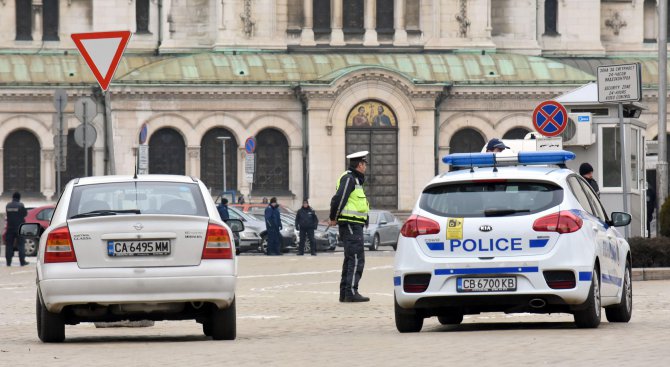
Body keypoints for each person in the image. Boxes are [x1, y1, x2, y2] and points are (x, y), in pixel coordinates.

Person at [330, 151, 371, 303]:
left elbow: (357, 203)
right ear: (360, 164)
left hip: (353, 223)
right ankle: (351, 292)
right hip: (350, 223)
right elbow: (339, 198)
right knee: (356, 257)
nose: (366, 167)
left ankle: (345, 292)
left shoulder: (356, 180)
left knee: (350, 258)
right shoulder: (349, 178)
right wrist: (333, 217)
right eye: (364, 164)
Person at [5, 191, 28, 266]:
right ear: (19, 198)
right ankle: (22, 262)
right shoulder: (20, 205)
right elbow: (25, 214)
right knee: (21, 245)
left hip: (10, 228)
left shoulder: (8, 205)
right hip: (19, 228)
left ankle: (8, 262)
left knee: (9, 245)